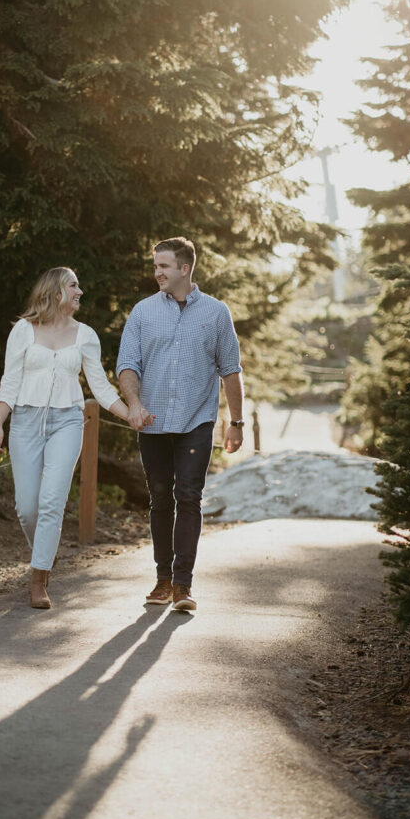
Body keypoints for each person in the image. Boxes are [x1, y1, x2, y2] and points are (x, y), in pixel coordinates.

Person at [0, 266, 130, 609]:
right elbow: (10, 380)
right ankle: (45, 552)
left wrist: (130, 415)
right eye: (74, 286)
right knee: (27, 507)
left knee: (52, 501)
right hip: (25, 422)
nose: (80, 291)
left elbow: (99, 385)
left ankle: (39, 578)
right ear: (55, 292)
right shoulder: (24, 330)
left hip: (67, 421)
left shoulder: (85, 335)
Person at [117, 237, 244, 612]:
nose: (157, 272)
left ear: (184, 269)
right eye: (155, 266)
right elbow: (127, 364)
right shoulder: (142, 312)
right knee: (159, 499)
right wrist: (135, 404)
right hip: (152, 422)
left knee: (188, 496)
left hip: (196, 421)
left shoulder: (216, 313)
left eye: (164, 266)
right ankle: (162, 580)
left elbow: (231, 370)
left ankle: (183, 586)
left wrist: (235, 422)